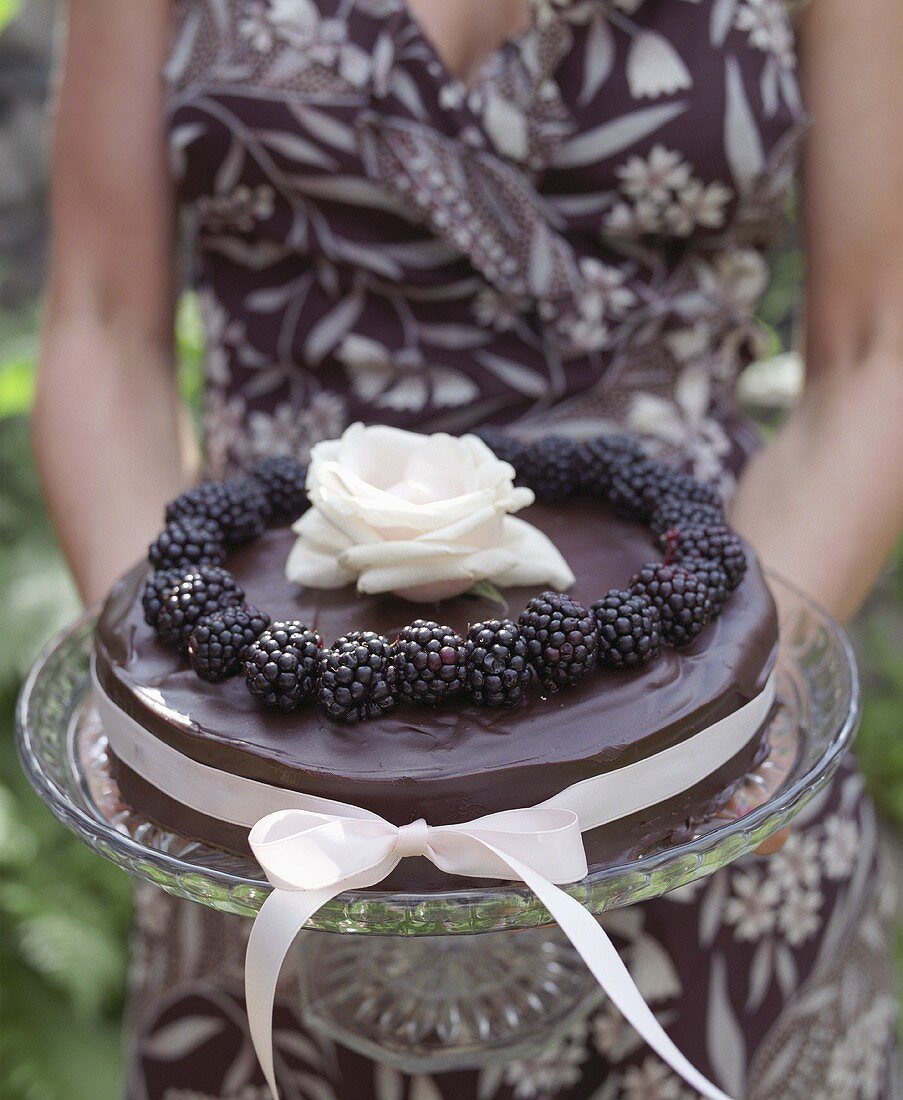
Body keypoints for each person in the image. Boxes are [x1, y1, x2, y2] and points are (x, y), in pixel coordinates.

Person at [33, 1, 902, 1097]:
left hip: (702, 786)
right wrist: (192, 744)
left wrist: (712, 735)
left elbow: (878, 347)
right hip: (282, 797)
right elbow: (103, 324)